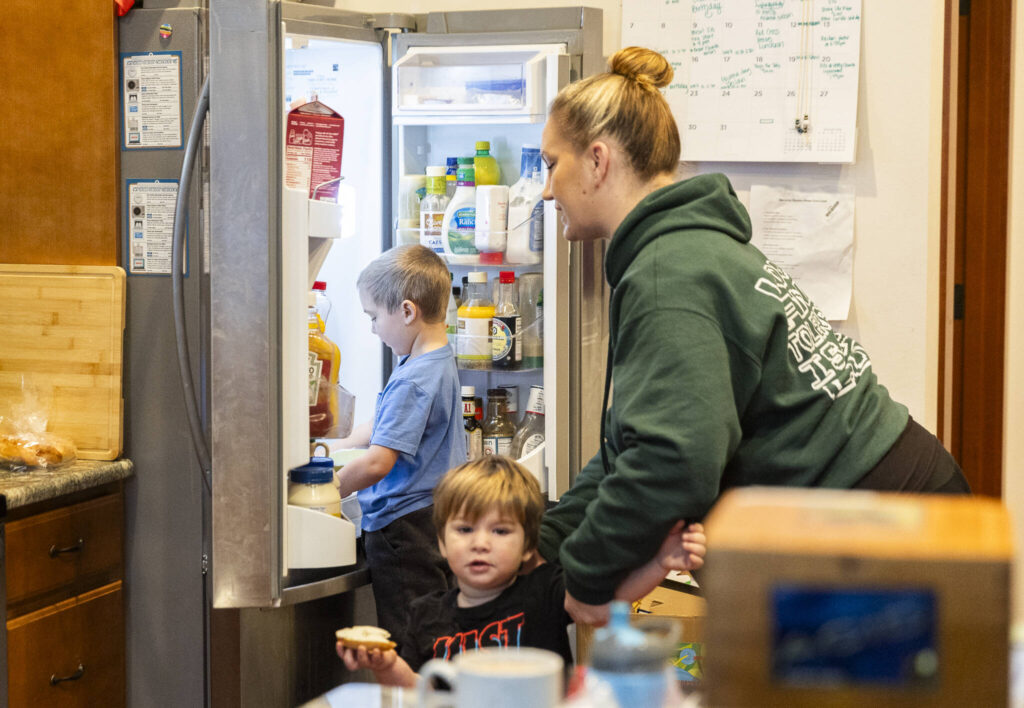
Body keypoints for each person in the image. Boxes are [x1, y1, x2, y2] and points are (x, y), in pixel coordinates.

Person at [534, 46, 971, 627]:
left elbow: (674, 459)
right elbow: (638, 443)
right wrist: (549, 537)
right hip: (894, 505)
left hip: (890, 525)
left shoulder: (669, 273)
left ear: (597, 161)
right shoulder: (688, 249)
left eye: (549, 164)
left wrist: (586, 573)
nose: (545, 190)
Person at [337, 455, 707, 687]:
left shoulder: (543, 590)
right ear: (443, 542)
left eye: (500, 531)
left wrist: (661, 564)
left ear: (529, 545)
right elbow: (421, 689)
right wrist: (386, 666)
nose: (480, 543)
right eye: (465, 530)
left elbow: (610, 602)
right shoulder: (425, 613)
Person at [333, 244, 467, 651]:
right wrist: (335, 446)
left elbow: (377, 463)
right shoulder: (434, 360)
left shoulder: (413, 378)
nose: (373, 328)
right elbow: (383, 426)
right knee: (438, 630)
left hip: (404, 530)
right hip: (434, 519)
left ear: (407, 312)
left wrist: (324, 491)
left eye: (374, 317)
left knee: (413, 641)